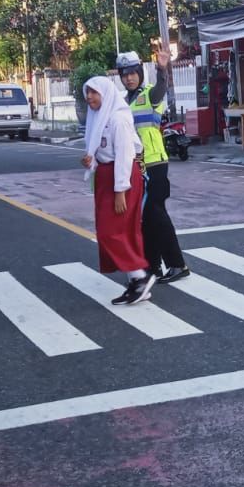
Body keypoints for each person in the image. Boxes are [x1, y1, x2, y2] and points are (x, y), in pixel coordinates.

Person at [115, 51, 189, 284]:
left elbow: (161, 86)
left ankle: (177, 264)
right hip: (135, 165)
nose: (129, 78)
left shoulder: (150, 95)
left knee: (156, 213)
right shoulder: (122, 102)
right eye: (125, 75)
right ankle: (152, 266)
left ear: (140, 73)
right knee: (145, 217)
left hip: (155, 163)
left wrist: (162, 68)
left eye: (133, 74)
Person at [80, 76, 153, 305]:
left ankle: (141, 275)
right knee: (118, 230)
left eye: (94, 92)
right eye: (87, 92)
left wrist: (121, 189)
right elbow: (100, 150)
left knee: (111, 231)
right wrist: (90, 162)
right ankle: (136, 280)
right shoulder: (99, 117)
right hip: (105, 176)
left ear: (106, 93)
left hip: (119, 178)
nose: (89, 97)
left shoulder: (118, 119)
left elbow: (124, 155)